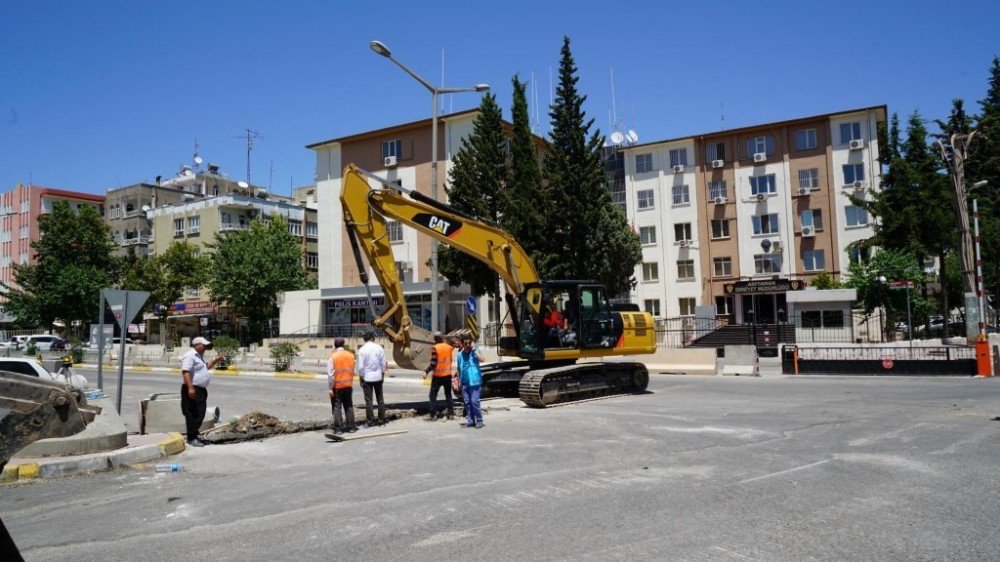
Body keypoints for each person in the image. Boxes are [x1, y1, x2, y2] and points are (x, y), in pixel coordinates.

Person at [180, 336, 224, 447]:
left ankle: (194, 435)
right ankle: (191, 438)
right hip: (193, 389)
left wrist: (215, 360)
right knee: (194, 414)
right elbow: (185, 372)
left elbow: (205, 367)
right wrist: (190, 388)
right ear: (197, 345)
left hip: (200, 390)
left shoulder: (199, 356)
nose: (205, 347)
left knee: (200, 413)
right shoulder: (190, 356)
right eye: (204, 345)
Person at [356, 330, 388, 427]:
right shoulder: (379, 348)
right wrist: (382, 375)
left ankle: (370, 421)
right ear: (372, 338)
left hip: (367, 378)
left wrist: (361, 378)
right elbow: (383, 364)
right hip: (378, 376)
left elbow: (361, 367)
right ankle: (381, 420)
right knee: (380, 400)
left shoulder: (361, 350)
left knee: (369, 401)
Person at [326, 338, 357, 434]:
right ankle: (351, 427)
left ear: (335, 345)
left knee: (337, 407)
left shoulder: (332, 357)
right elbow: (352, 371)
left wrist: (330, 389)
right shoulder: (351, 355)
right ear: (343, 345)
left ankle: (338, 429)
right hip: (348, 385)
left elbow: (331, 375)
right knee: (349, 406)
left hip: (337, 386)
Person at [423, 332, 455, 420]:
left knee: (432, 395)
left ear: (435, 340)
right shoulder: (449, 348)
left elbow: (433, 363)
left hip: (438, 375)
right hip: (448, 374)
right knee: (448, 394)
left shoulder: (435, 348)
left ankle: (433, 414)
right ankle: (451, 413)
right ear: (441, 338)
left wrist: (426, 371)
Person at [456, 335, 485, 428]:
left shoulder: (475, 351)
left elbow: (482, 359)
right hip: (465, 382)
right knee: (467, 402)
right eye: (466, 343)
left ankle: (479, 420)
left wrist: (475, 351)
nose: (468, 344)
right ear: (462, 344)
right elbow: (458, 368)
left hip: (475, 381)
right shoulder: (460, 355)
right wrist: (459, 381)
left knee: (474, 401)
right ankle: (471, 421)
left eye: (469, 342)